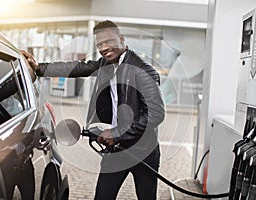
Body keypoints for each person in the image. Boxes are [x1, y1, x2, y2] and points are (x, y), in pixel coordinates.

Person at [22, 20, 165, 200]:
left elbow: (156, 113)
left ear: (121, 39)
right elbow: (77, 67)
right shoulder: (106, 64)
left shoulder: (142, 70)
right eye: (100, 44)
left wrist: (118, 133)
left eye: (109, 41)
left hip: (143, 151)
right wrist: (40, 68)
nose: (104, 48)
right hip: (117, 151)